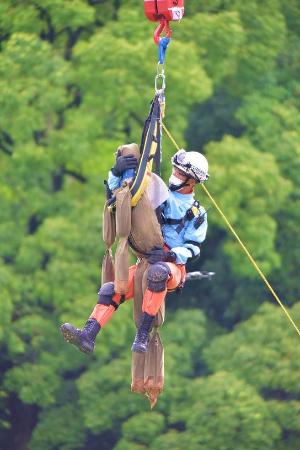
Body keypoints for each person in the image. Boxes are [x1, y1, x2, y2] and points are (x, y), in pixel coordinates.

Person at [60, 147, 209, 354]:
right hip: (146, 261)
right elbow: (121, 197)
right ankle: (88, 335)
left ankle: (142, 336)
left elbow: (194, 249)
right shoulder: (159, 192)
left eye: (181, 173)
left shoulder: (196, 212)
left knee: (158, 273)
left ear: (192, 181)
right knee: (110, 289)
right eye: (175, 170)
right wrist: (115, 172)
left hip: (172, 268)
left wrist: (170, 255)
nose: (174, 175)